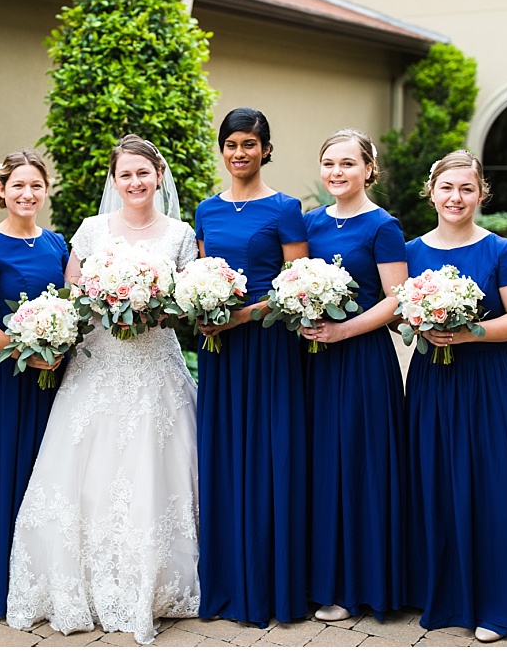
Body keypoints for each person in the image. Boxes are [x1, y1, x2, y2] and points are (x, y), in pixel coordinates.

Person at [6, 135, 201, 645]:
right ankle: (80, 584)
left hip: (155, 362)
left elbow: (187, 305)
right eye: (125, 175)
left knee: (159, 470)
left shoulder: (180, 233)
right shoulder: (92, 230)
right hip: (100, 362)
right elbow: (74, 295)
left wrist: (151, 307)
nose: (134, 182)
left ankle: (155, 585)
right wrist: (107, 303)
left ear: (159, 175)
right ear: (113, 182)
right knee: (86, 472)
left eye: (143, 173)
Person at [403, 150, 507, 642]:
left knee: (496, 483)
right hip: (434, 383)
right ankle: (447, 592)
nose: (456, 198)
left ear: (481, 194)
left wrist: (469, 330)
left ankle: (502, 602)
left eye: (467, 189)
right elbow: (395, 310)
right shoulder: (410, 251)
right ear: (431, 191)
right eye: (447, 188)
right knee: (438, 481)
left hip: (493, 383)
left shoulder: (501, 250)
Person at [193, 107, 310, 627]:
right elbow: (197, 273)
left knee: (269, 457)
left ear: (265, 149)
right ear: (221, 150)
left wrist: (243, 315)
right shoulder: (206, 210)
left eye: (249, 144)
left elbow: (299, 285)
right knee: (223, 456)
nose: (239, 153)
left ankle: (273, 585)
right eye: (231, 144)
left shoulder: (287, 209)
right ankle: (225, 583)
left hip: (268, 347)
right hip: (219, 352)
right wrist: (200, 309)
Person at [300, 129, 407, 623]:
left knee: (358, 466)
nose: (336, 172)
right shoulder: (308, 222)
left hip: (362, 360)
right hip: (314, 362)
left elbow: (396, 299)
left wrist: (344, 332)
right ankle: (321, 579)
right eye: (329, 163)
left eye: (347, 163)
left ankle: (359, 584)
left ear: (368, 169)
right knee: (321, 467)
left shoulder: (383, 226)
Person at [0, 150, 70, 621]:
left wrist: (60, 347)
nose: (27, 195)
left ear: (46, 190)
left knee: (49, 475)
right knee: (9, 470)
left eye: (36, 186)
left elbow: (74, 308)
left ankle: (47, 578)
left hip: (55, 377)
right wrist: (24, 353)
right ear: (1, 191)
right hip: (6, 376)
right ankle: (3, 582)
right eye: (18, 186)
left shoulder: (57, 243)